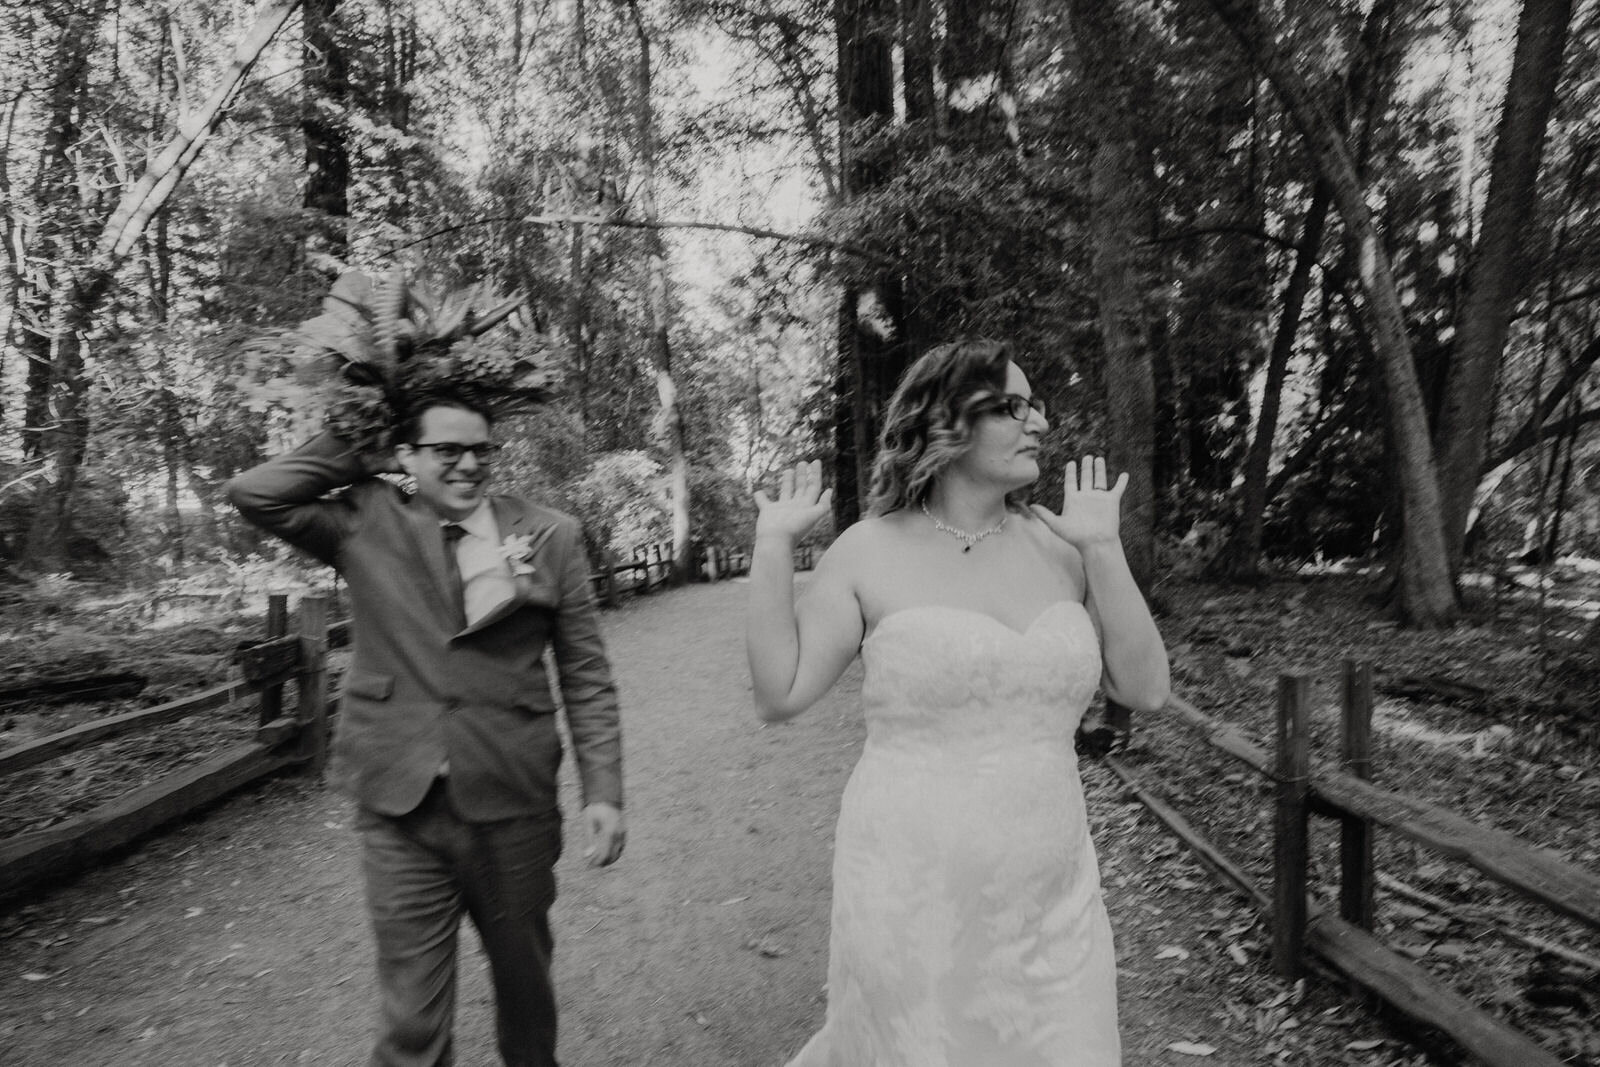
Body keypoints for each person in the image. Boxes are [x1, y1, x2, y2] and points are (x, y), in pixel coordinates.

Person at [747, 339, 1169, 1066]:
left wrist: (1104, 548)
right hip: (912, 899)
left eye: (1037, 407)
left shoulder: (1061, 547)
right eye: (1012, 406)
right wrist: (771, 547)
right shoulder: (867, 551)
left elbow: (1145, 688)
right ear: (949, 422)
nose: (1037, 423)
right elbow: (779, 693)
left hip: (1054, 904)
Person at [226, 389, 624, 1067]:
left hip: (513, 800)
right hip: (398, 806)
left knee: (525, 993)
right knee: (409, 1021)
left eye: (480, 449)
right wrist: (360, 444)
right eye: (447, 450)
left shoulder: (551, 534)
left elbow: (586, 675)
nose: (469, 464)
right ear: (405, 453)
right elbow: (256, 492)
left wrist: (604, 791)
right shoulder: (366, 517)